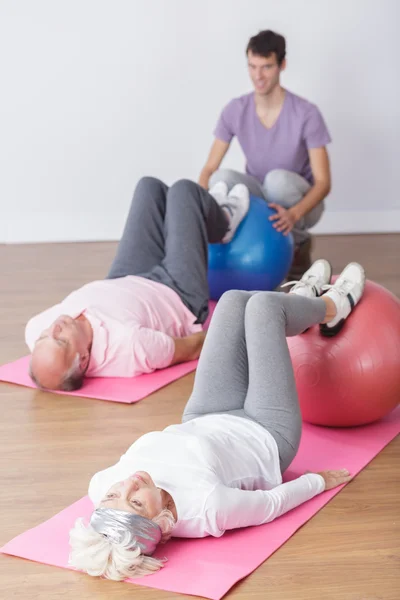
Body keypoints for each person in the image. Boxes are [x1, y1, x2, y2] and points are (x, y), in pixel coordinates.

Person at [69, 259, 365, 580]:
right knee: (264, 308)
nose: (129, 483)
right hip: (266, 433)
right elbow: (269, 504)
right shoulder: (207, 508)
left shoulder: (99, 487)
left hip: (205, 413)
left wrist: (120, 505)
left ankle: (301, 304)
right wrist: (317, 482)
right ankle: (332, 307)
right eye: (137, 502)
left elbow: (112, 506)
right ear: (164, 523)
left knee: (233, 301)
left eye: (115, 495)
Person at [24, 178, 250, 391]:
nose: (54, 328)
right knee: (184, 191)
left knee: (149, 187)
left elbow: (46, 340)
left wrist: (52, 340)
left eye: (45, 337)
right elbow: (194, 347)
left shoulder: (35, 328)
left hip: (125, 277)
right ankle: (224, 222)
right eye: (61, 341)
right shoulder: (129, 347)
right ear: (83, 359)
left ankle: (206, 210)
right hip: (178, 293)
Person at [199, 29, 332, 280]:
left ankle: (298, 245)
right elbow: (209, 170)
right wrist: (200, 207)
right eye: (252, 66)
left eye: (267, 67)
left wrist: (293, 213)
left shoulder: (306, 113)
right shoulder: (235, 110)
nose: (258, 76)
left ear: (282, 65)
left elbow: (324, 183)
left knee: (277, 181)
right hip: (261, 194)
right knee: (221, 178)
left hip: (300, 201)